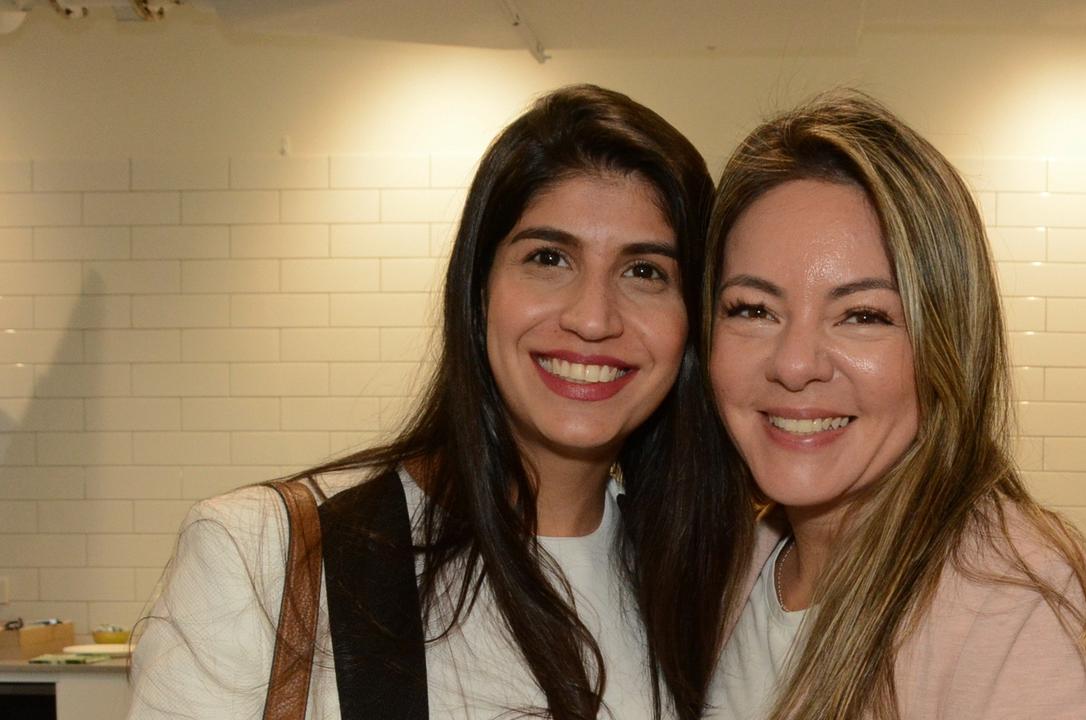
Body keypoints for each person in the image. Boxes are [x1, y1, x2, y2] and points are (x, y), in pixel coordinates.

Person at [128, 84, 753, 720]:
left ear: (693, 321)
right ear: (478, 291)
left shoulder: (718, 587)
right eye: (548, 257)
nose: (593, 319)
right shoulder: (264, 555)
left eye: (645, 271)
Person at [703, 90, 1086, 719]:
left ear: (946, 341)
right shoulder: (732, 570)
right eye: (753, 309)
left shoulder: (1024, 605)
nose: (795, 364)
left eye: (863, 315)